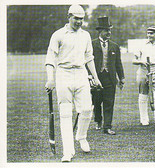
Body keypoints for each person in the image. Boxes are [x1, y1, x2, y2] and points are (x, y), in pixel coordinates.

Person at [44, 4, 102, 162]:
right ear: (68, 17)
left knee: (86, 109)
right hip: (63, 74)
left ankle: (81, 137)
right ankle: (68, 151)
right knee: (65, 113)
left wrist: (95, 78)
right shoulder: (58, 35)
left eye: (81, 19)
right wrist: (50, 78)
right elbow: (50, 58)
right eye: (76, 18)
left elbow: (89, 58)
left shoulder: (86, 35)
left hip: (81, 74)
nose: (79, 22)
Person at [91, 16, 125, 135]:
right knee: (96, 101)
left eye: (110, 30)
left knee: (109, 102)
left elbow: (118, 63)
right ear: (100, 31)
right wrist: (90, 77)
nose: (109, 32)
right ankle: (98, 120)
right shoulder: (92, 44)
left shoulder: (114, 46)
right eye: (106, 30)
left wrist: (121, 78)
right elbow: (87, 61)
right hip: (96, 77)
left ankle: (107, 126)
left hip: (110, 79)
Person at [132, 26, 155, 131]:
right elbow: (134, 60)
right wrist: (141, 61)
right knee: (143, 95)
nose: (150, 35)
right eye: (148, 33)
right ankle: (144, 120)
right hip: (143, 70)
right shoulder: (142, 46)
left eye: (152, 33)